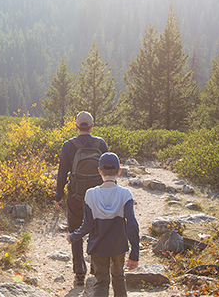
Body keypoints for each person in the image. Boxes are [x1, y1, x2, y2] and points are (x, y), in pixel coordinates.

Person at [67, 152, 139, 297]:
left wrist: (73, 236)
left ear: (99, 171)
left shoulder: (90, 194)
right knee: (119, 277)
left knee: (101, 281)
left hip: (98, 246)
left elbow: (87, 225)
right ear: (119, 171)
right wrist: (134, 253)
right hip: (119, 246)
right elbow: (132, 225)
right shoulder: (125, 194)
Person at [55, 111, 108, 286]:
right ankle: (95, 266)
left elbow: (62, 173)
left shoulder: (69, 145)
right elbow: (109, 172)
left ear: (76, 126)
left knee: (76, 231)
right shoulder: (101, 144)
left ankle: (79, 273)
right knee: (97, 229)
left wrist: (59, 196)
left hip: (76, 196)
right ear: (92, 126)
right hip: (98, 196)